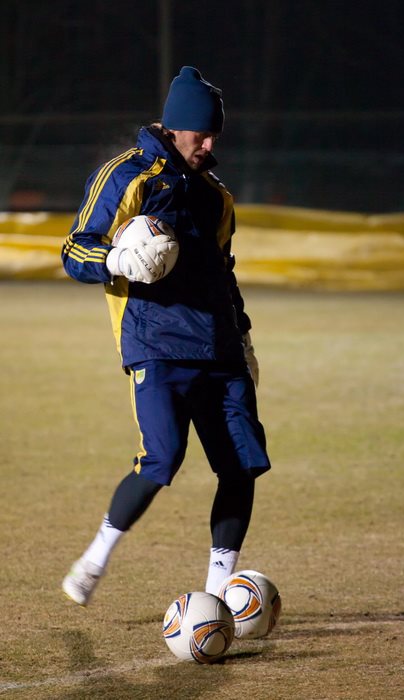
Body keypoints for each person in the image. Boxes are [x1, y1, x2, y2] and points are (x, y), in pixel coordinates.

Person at [61, 66, 271, 606]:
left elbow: (224, 273)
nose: (209, 145)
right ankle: (95, 559)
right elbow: (75, 249)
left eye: (215, 135)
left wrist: (244, 339)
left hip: (219, 347)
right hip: (155, 343)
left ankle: (216, 596)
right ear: (175, 127)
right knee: (162, 457)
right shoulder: (128, 176)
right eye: (201, 134)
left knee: (241, 465)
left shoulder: (217, 197)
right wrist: (115, 259)